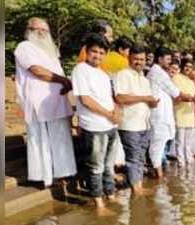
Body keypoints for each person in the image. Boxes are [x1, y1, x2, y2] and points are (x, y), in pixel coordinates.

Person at [14, 17, 76, 187]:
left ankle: (64, 173)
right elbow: (36, 70)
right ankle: (45, 177)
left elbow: (58, 74)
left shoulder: (51, 52)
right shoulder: (24, 47)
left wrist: (65, 84)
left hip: (57, 102)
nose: (41, 32)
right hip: (38, 103)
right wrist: (63, 81)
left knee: (61, 137)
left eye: (45, 30)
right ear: (29, 30)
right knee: (41, 139)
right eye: (37, 29)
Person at [71, 33, 120, 215]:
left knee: (109, 165)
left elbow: (110, 98)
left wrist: (115, 113)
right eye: (94, 51)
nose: (97, 56)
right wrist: (109, 114)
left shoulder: (103, 73)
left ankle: (111, 194)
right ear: (86, 51)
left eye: (101, 53)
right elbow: (85, 99)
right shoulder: (80, 70)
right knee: (96, 166)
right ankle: (98, 203)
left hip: (110, 125)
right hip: (94, 126)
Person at [115, 46, 159, 195]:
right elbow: (120, 97)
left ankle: (138, 186)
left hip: (144, 124)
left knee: (140, 157)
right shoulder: (122, 75)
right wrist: (144, 98)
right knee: (133, 157)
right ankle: (136, 189)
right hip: (129, 124)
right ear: (129, 58)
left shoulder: (144, 79)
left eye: (142, 59)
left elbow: (147, 100)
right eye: (136, 59)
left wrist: (152, 102)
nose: (139, 62)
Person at [147, 47, 192, 178]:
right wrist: (192, 98)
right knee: (158, 145)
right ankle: (159, 178)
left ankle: (159, 176)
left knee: (159, 145)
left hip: (162, 115)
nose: (169, 62)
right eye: (167, 59)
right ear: (159, 59)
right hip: (158, 115)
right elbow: (176, 93)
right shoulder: (158, 72)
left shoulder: (159, 72)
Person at [172, 59, 195, 167]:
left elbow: (193, 98)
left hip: (190, 114)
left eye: (190, 67)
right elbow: (177, 95)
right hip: (179, 114)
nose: (188, 68)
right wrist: (187, 98)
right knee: (180, 142)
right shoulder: (176, 78)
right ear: (182, 66)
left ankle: (189, 163)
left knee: (188, 143)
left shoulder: (191, 82)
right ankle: (181, 164)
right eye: (186, 66)